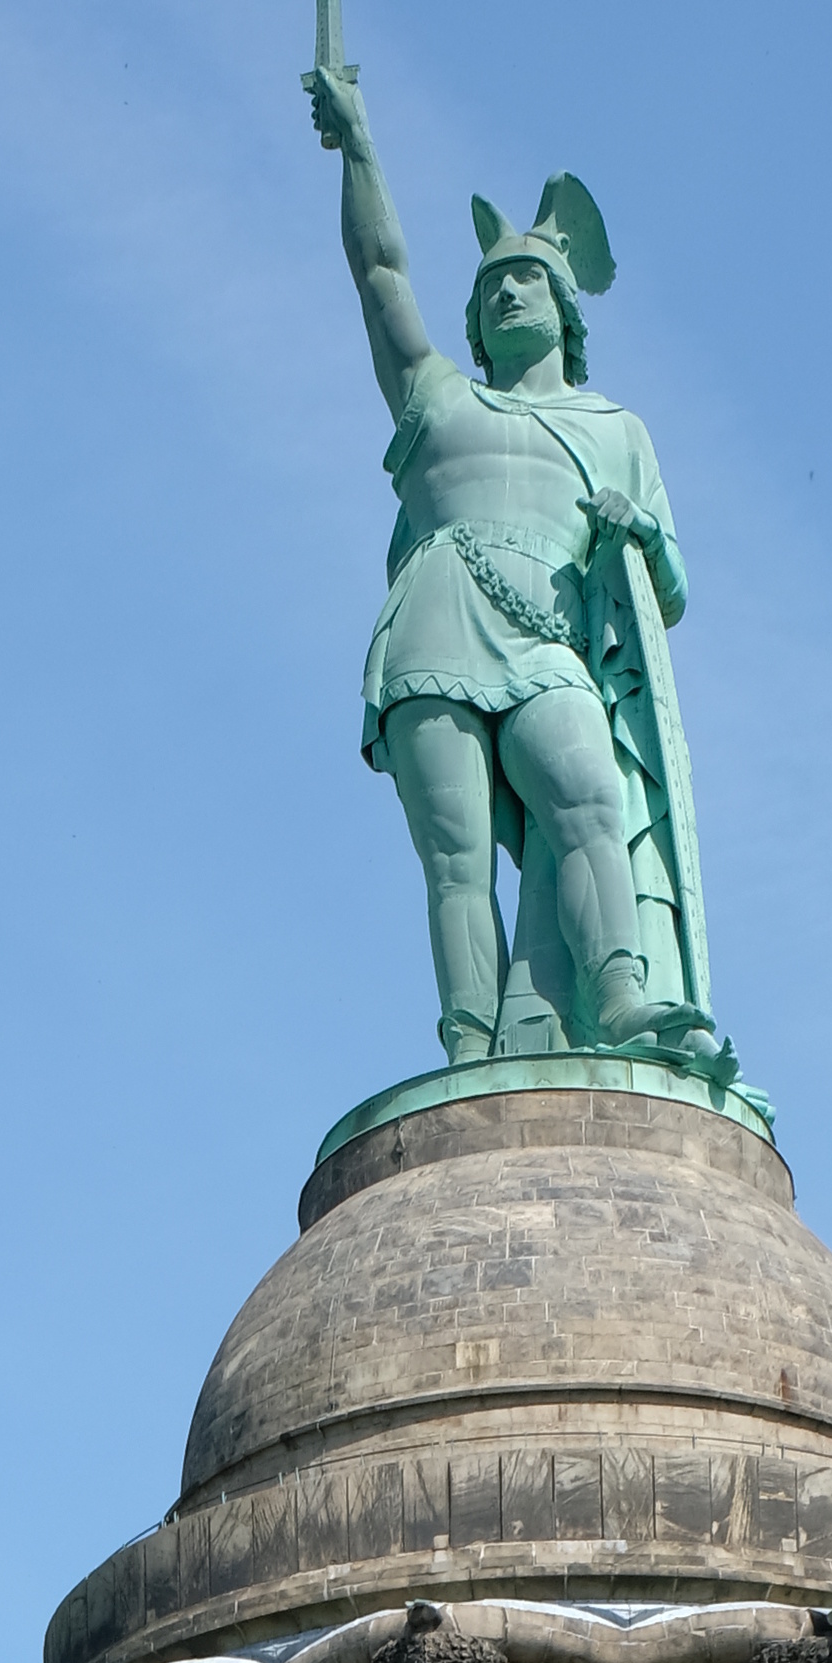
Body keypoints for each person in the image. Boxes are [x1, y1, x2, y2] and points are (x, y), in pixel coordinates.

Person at [307, 63, 726, 1074]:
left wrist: (637, 535)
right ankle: (469, 1044)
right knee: (453, 858)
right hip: (437, 622)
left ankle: (620, 994)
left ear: (565, 308)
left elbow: (667, 593)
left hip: (547, 642)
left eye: (524, 277)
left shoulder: (617, 430)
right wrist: (358, 142)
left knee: (588, 796)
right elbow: (379, 275)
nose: (504, 289)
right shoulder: (439, 403)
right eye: (490, 283)